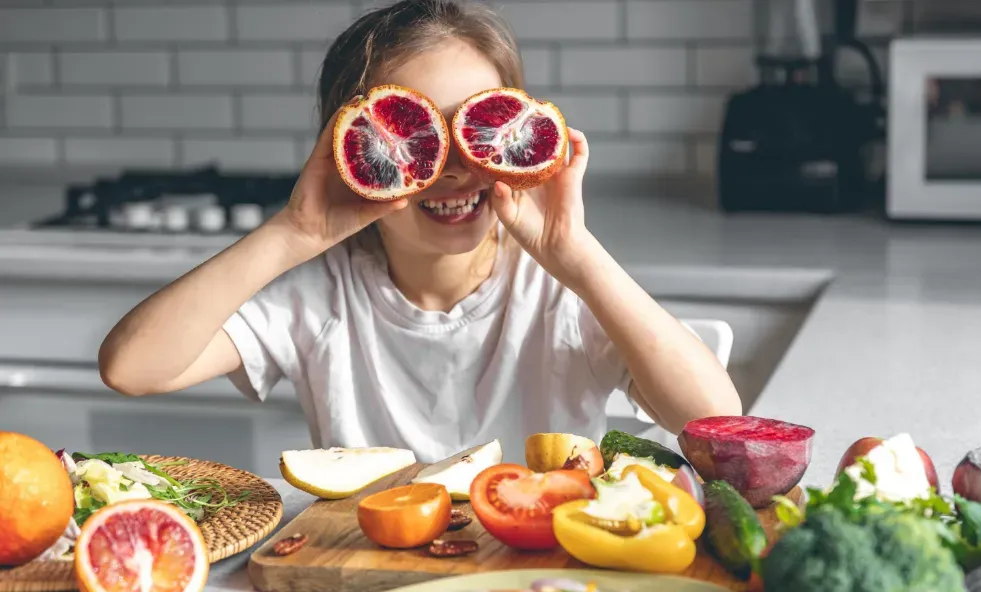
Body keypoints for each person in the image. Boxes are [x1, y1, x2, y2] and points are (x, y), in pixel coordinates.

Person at [97, 0, 741, 463]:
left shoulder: (559, 292)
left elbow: (719, 423)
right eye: (415, 136)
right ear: (353, 151)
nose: (456, 170)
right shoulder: (321, 298)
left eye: (478, 131)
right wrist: (294, 231)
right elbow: (131, 368)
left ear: (515, 139)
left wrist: (577, 256)